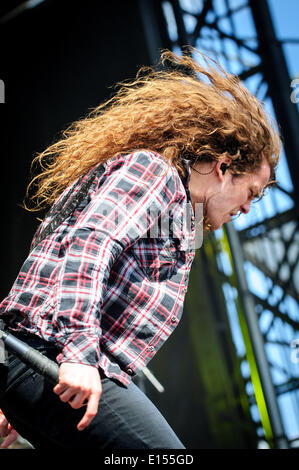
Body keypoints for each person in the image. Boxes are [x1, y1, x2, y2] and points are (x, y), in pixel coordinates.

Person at [0, 49, 280, 449]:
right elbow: (89, 242)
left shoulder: (179, 218)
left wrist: (23, 400)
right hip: (55, 352)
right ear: (222, 167)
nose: (248, 207)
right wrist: (77, 354)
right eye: (250, 191)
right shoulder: (155, 174)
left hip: (49, 365)